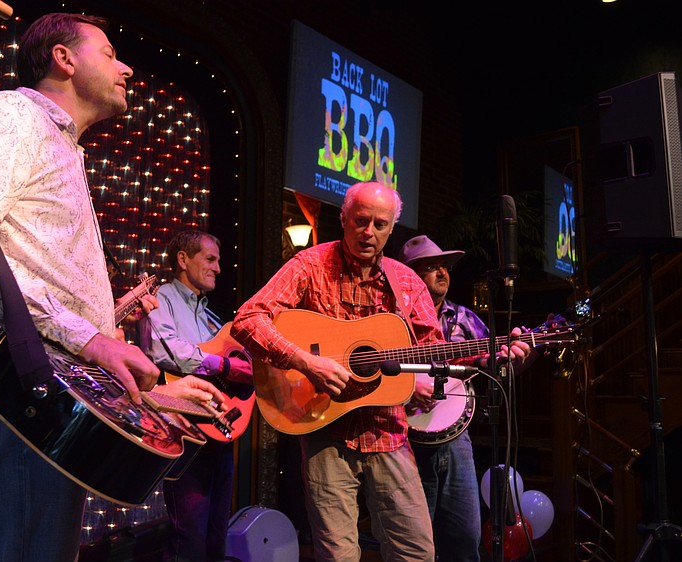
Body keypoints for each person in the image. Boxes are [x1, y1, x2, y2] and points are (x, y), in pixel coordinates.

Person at [0, 13, 226, 562]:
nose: (126, 67)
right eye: (110, 53)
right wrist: (89, 341)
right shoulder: (11, 116)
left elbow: (72, 320)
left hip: (47, 416)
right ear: (64, 59)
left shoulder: (67, 151)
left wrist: (148, 393)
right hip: (16, 412)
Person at [231, 182, 531, 561]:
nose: (368, 232)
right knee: (339, 555)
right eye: (360, 220)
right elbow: (248, 318)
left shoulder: (406, 282)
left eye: (379, 224)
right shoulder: (310, 265)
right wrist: (305, 361)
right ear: (343, 218)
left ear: (392, 228)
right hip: (326, 428)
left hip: (389, 432)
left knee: (416, 553)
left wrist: (486, 356)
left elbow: (431, 351)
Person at [139, 229, 251, 561]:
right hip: (185, 426)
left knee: (217, 533)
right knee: (189, 533)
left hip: (219, 428)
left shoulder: (208, 313)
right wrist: (223, 365)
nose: (218, 268)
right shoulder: (162, 297)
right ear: (183, 260)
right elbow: (164, 349)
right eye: (211, 259)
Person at [397, 234, 489, 562]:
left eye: (445, 267)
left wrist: (518, 353)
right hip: (404, 440)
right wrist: (407, 388)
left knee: (465, 539)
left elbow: (494, 360)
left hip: (456, 439)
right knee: (415, 544)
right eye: (431, 267)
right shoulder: (390, 320)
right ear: (409, 276)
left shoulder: (463, 318)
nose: (442, 273)